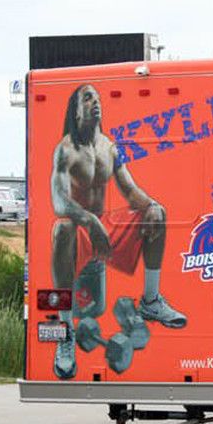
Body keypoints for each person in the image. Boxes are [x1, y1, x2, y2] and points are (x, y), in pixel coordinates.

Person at [51, 84, 186, 379]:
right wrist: (89, 220)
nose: (96, 102)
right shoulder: (65, 150)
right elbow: (59, 202)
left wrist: (151, 205)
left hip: (107, 226)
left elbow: (129, 190)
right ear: (76, 110)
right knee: (61, 230)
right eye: (88, 98)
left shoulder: (109, 148)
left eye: (98, 98)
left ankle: (150, 301)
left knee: (157, 214)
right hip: (82, 227)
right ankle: (65, 331)